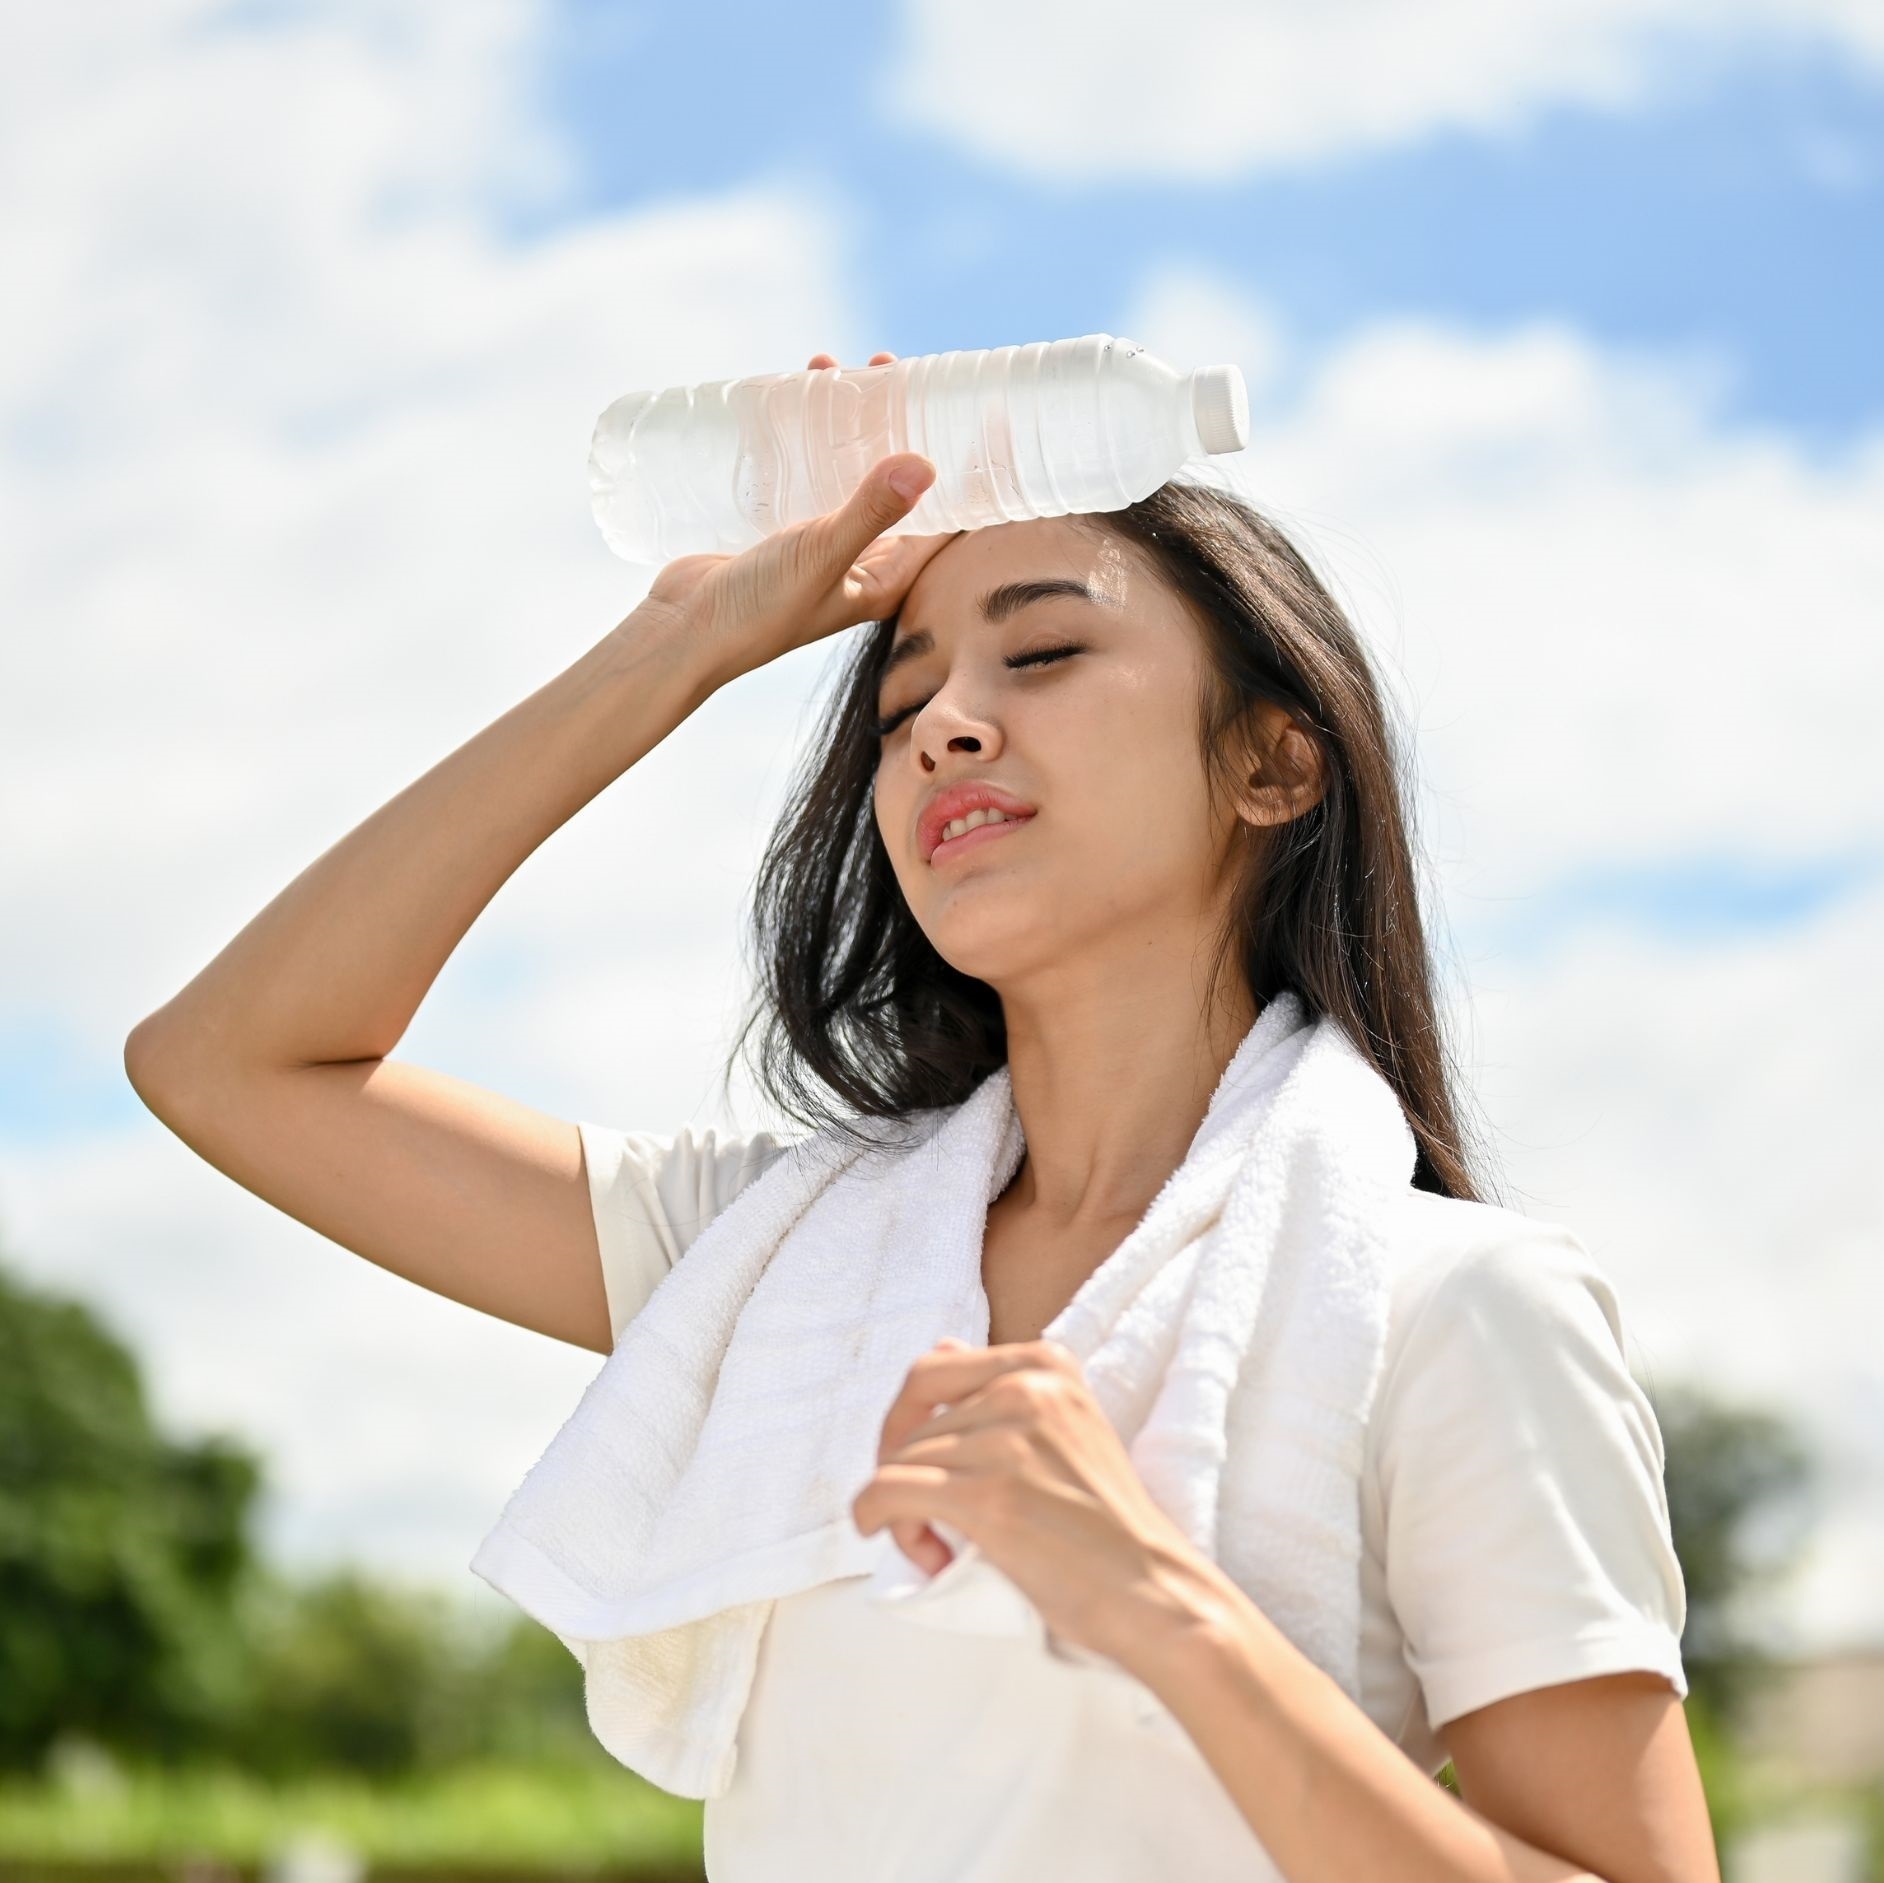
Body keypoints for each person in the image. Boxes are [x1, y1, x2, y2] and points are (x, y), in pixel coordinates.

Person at [126, 349, 1722, 1882]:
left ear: (1273, 763)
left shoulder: (1457, 1311)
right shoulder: (766, 1261)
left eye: (1039, 655)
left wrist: (1165, 1604)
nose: (946, 722)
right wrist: (673, 646)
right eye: (901, 706)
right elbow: (228, 1064)